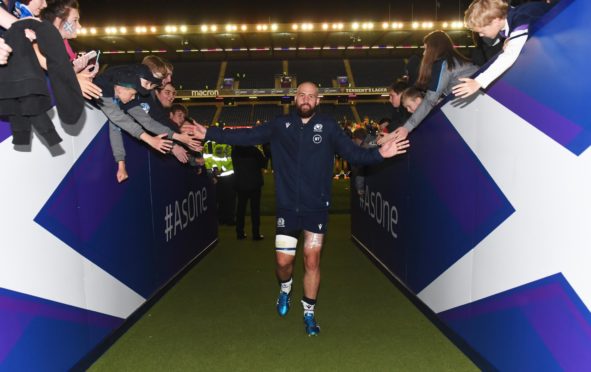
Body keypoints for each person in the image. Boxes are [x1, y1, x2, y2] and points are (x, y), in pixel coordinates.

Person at [190, 82, 410, 336]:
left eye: (311, 96)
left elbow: (354, 155)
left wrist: (381, 154)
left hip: (316, 208)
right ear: (295, 99)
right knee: (283, 264)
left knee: (312, 260)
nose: (306, 99)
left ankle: (309, 313)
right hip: (287, 208)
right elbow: (247, 136)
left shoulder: (328, 127)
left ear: (318, 101)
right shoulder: (280, 125)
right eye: (302, 95)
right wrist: (210, 133)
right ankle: (285, 289)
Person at [380, 30, 478, 144]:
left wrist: (406, 128)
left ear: (434, 49)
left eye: (426, 49)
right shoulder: (454, 61)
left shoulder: (443, 64)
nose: (424, 53)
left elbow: (430, 100)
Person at [452, 0, 552, 98]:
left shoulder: (520, 19)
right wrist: (510, 39)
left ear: (495, 21)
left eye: (482, 31)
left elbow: (509, 55)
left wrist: (478, 81)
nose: (480, 35)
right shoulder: (506, 17)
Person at [40, 0, 102, 99]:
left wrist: (78, 72)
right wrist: (75, 80)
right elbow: (48, 84)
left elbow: (59, 76)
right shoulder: (42, 45)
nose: (79, 26)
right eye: (75, 20)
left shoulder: (62, 45)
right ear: (58, 21)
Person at [232, 145, 266, 241]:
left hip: (240, 183)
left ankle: (240, 233)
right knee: (255, 209)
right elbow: (263, 163)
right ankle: (256, 234)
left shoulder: (235, 150)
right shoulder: (255, 150)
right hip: (254, 183)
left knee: (240, 209)